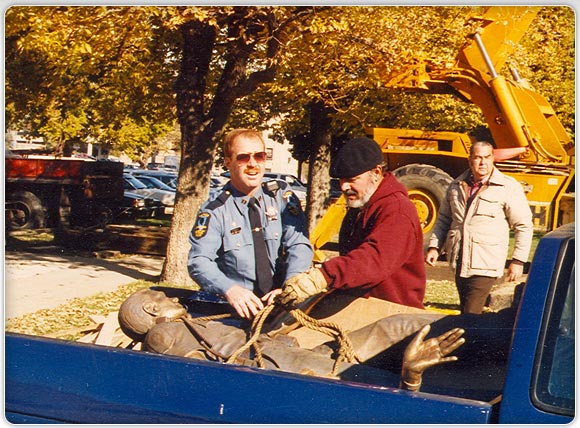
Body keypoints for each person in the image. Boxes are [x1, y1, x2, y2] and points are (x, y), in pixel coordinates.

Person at [118, 288, 466, 392]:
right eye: (162, 298)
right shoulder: (162, 335)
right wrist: (410, 379)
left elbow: (249, 339)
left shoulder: (192, 322)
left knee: (396, 325)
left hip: (290, 353)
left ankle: (490, 328)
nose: (172, 299)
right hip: (288, 369)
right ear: (151, 308)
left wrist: (279, 316)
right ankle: (412, 380)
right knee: (374, 384)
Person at [276, 137, 426, 309]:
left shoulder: (398, 211)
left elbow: (373, 260)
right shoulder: (359, 208)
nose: (344, 186)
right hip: (364, 307)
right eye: (341, 180)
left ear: (376, 173)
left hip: (392, 314)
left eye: (352, 179)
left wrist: (323, 276)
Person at [188, 129, 313, 319]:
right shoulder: (215, 210)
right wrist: (230, 290)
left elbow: (299, 244)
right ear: (228, 162)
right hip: (235, 310)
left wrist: (289, 287)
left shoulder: (280, 196)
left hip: (281, 306)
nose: (253, 164)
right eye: (243, 158)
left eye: (259, 156)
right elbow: (199, 261)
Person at [425, 141, 533, 314]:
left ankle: (470, 339)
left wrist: (518, 261)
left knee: (470, 313)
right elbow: (444, 219)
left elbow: (524, 225)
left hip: (486, 263)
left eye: (487, 157)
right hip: (459, 260)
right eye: (477, 158)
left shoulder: (507, 187)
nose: (482, 162)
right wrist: (434, 247)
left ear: (493, 159)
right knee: (467, 312)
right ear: (470, 161)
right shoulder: (456, 186)